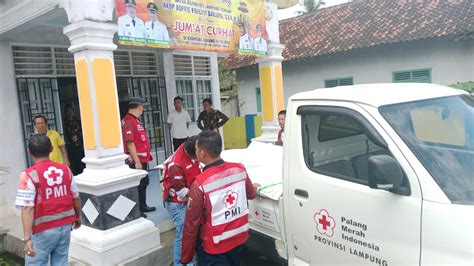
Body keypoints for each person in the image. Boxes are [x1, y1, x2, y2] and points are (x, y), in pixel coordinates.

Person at [181, 131, 260, 265]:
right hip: (240, 239)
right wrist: (255, 188)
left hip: (215, 248)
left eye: (196, 149)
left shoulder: (199, 184)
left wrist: (185, 258)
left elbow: (191, 225)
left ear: (202, 153)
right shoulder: (239, 169)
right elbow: (251, 194)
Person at [15, 134, 81, 265]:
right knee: (61, 262)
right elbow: (76, 197)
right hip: (65, 227)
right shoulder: (65, 170)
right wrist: (78, 217)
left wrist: (27, 238)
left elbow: (27, 208)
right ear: (51, 149)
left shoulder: (28, 175)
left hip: (42, 232)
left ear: (29, 152)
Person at [162, 136, 201, 266]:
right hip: (177, 203)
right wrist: (200, 193)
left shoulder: (192, 146)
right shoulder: (176, 164)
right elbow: (182, 193)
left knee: (191, 232)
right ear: (190, 153)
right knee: (184, 233)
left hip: (190, 199)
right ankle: (181, 263)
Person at [121, 97, 156, 217]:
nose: (143, 110)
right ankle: (137, 211)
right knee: (136, 185)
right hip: (136, 160)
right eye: (142, 107)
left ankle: (143, 205)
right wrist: (136, 161)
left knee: (143, 182)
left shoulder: (135, 120)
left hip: (142, 159)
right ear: (139, 107)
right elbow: (130, 143)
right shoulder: (128, 121)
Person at [63, 105, 85, 175]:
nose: (70, 112)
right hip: (70, 146)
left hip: (80, 145)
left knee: (81, 162)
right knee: (73, 163)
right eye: (68, 111)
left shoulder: (78, 121)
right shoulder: (64, 123)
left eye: (71, 110)